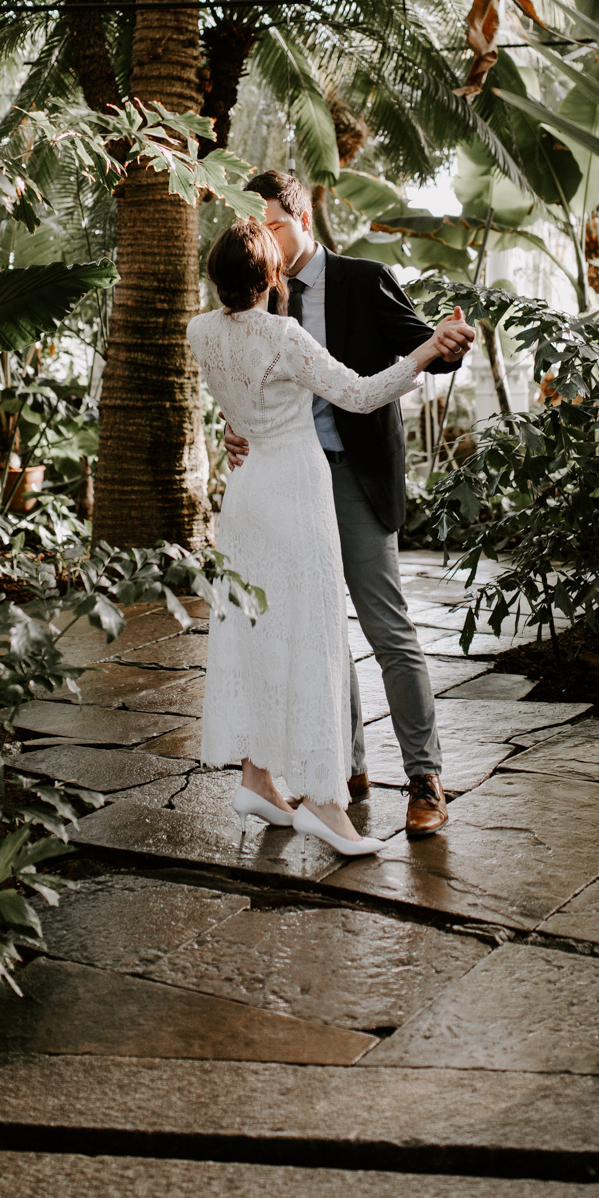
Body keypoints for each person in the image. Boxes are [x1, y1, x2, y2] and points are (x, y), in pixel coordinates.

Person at [188, 218, 470, 859]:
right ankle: (322, 802)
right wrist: (428, 350)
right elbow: (364, 395)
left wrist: (238, 427)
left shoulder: (199, 330)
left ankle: (258, 777)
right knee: (315, 639)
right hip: (296, 489)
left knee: (261, 633)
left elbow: (237, 400)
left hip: (249, 494)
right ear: (269, 277)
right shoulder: (284, 335)